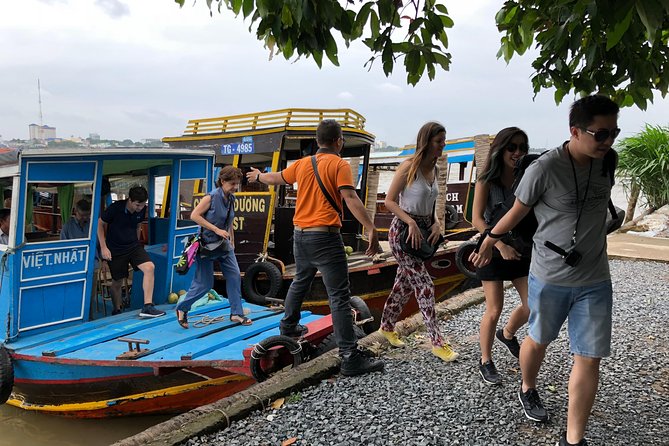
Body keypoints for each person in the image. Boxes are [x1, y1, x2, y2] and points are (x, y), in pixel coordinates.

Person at [470, 95, 620, 446]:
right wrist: (491, 241)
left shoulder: (608, 161)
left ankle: (573, 438)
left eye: (614, 132)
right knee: (538, 340)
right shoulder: (544, 168)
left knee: (589, 356)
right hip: (550, 275)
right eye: (600, 134)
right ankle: (528, 387)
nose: (608, 141)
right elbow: (517, 211)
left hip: (596, 278)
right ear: (575, 131)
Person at [246, 119, 384, 377]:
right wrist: (371, 228)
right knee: (339, 296)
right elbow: (350, 197)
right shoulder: (339, 164)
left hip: (300, 236)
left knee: (300, 280)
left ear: (318, 141)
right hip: (325, 237)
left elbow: (277, 178)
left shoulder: (302, 164)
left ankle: (287, 328)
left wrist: (258, 176)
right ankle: (349, 356)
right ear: (338, 141)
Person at [377, 121, 459, 363]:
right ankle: (437, 342)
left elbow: (430, 203)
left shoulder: (433, 169)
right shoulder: (408, 167)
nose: (442, 146)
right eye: (438, 142)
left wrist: (435, 222)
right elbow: (389, 201)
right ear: (426, 142)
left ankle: (386, 327)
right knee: (425, 285)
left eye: (443, 141)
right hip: (403, 233)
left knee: (403, 284)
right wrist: (410, 222)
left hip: (422, 230)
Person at [471, 127, 531, 384]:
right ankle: (485, 360)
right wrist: (498, 245)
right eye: (511, 147)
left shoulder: (526, 178)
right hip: (491, 250)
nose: (517, 153)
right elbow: (475, 218)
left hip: (519, 248)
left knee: (533, 305)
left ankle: (507, 334)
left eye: (522, 148)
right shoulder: (487, 179)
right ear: (500, 149)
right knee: (494, 309)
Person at [175, 166, 251, 328]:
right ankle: (182, 308)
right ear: (222, 181)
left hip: (224, 245)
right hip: (207, 245)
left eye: (237, 184)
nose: (235, 187)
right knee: (205, 284)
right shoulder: (211, 197)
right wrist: (216, 229)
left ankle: (236, 313)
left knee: (234, 276)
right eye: (232, 184)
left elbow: (228, 222)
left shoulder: (231, 198)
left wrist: (232, 240)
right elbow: (194, 215)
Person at [98, 185, 165, 318]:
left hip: (133, 246)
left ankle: (148, 306)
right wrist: (104, 248)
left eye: (142, 205)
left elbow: (138, 225)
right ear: (130, 200)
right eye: (137, 205)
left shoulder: (142, 209)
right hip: (115, 248)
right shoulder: (115, 208)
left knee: (150, 267)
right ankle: (116, 310)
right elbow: (100, 223)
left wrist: (138, 241)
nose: (140, 208)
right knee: (117, 281)